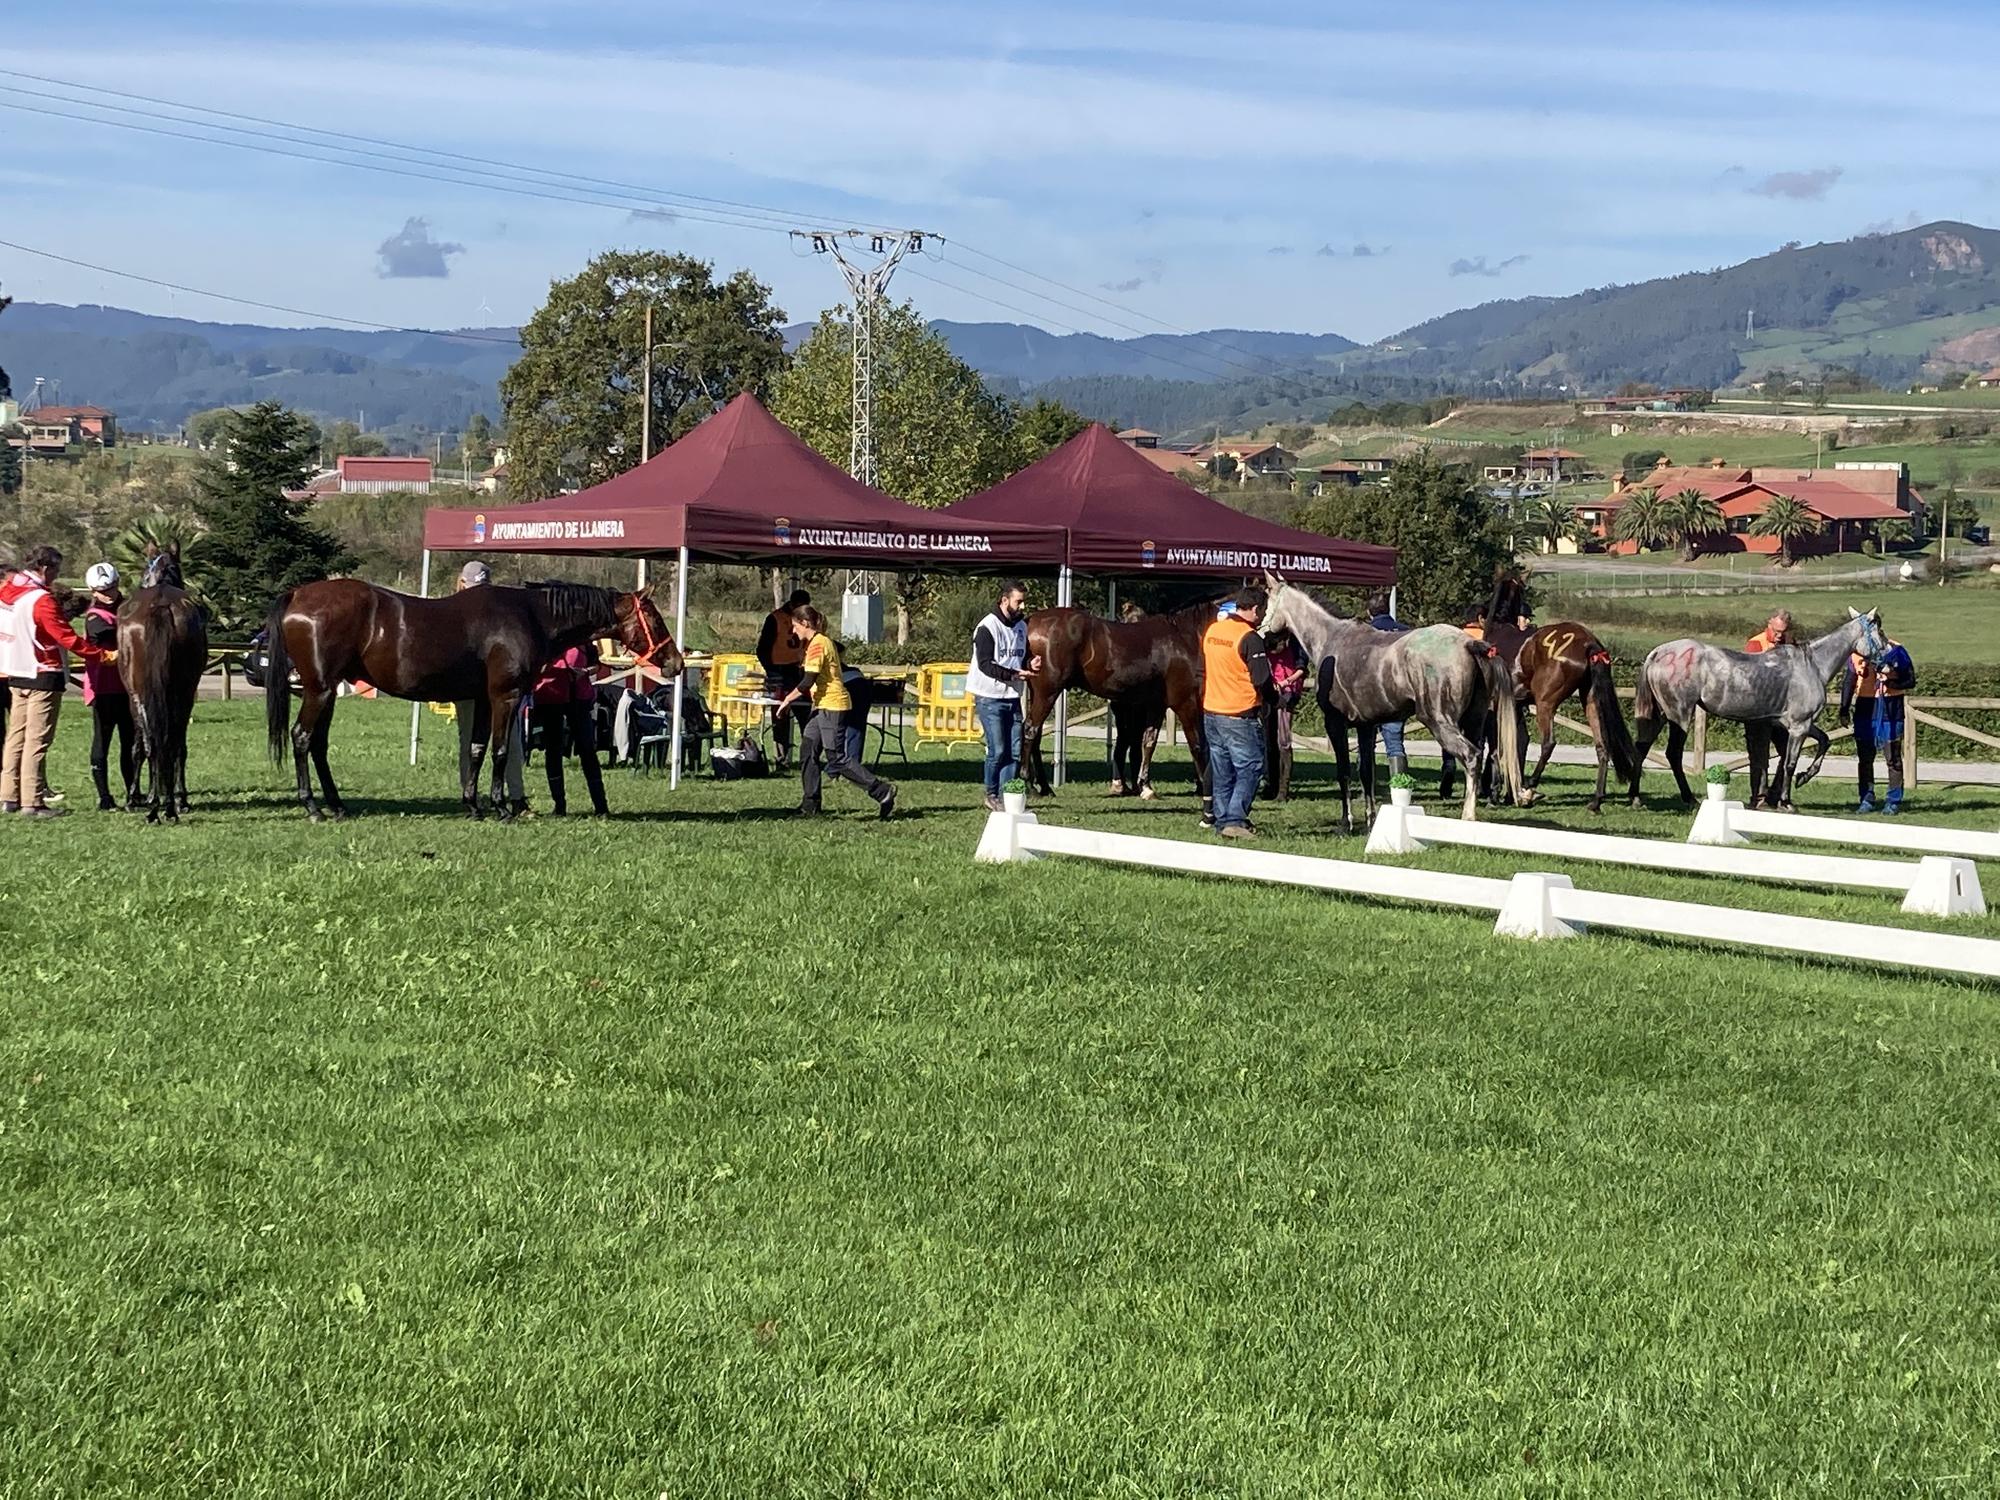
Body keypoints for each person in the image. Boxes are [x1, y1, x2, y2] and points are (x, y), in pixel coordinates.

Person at [1, 545, 115, 817]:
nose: (55, 576)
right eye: (55, 570)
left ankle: (8, 796)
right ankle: (33, 801)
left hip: (16, 670)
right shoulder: (41, 599)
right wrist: (104, 656)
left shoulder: (8, 593)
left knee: (16, 737)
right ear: (44, 567)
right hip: (42, 671)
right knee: (37, 740)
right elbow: (67, 638)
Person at [773, 605, 897, 820]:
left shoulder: (819, 645)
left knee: (836, 758)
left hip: (832, 706)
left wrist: (786, 701)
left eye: (794, 626)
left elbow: (807, 680)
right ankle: (810, 805)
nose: (793, 632)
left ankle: (882, 791)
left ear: (805, 624)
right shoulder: (815, 644)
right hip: (820, 706)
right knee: (808, 752)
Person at [452, 560, 528, 813]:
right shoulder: (451, 613)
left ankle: (516, 795)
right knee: (469, 739)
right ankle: (469, 792)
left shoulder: (498, 616)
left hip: (496, 687)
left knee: (510, 737)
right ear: (461, 583)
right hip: (466, 686)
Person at [1201, 585, 1273, 839]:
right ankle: (1235, 819)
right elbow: (1262, 679)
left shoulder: (1213, 630)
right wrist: (1274, 699)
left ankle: (1222, 821)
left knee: (1222, 769)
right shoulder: (1250, 638)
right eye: (1263, 610)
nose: (1264, 616)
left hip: (1212, 710)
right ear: (1254, 609)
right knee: (1251, 767)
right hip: (1239, 711)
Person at [967, 580, 1041, 812]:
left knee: (1015, 751)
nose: (1022, 606)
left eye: (1023, 601)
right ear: (1005, 600)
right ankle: (991, 794)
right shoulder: (987, 627)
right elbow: (985, 664)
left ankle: (1008, 797)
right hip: (989, 697)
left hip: (1011, 697)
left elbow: (1022, 657)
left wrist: (1032, 662)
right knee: (998, 749)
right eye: (1018, 601)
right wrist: (1014, 674)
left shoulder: (1020, 627)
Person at [1744, 608, 1829, 809]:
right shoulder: (1756, 643)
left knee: (1788, 752)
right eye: (1776, 631)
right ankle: (1759, 797)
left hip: (1784, 710)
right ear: (1769, 624)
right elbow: (1747, 677)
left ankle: (1776, 793)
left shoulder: (1790, 644)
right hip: (1759, 709)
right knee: (1759, 755)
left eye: (1783, 631)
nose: (1779, 635)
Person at [80, 562, 138, 811]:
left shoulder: (128, 609)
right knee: (102, 742)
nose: (109, 594)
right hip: (104, 687)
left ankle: (134, 792)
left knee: (131, 742)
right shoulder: (96, 617)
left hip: (127, 687)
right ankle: (104, 796)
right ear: (93, 591)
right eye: (103, 591)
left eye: (112, 588)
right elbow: (103, 640)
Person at [530, 641, 609, 816]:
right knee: (553, 750)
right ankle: (559, 805)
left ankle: (601, 806)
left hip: (579, 697)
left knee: (587, 750)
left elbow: (595, 664)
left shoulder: (583, 640)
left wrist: (585, 672)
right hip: (551, 697)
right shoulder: (548, 639)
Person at [1841, 633, 1915, 814]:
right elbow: (1849, 681)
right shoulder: (1856, 653)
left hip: (1890, 710)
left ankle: (1893, 800)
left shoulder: (1896, 650)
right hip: (1865, 709)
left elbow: (1910, 681)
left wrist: (1890, 681)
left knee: (1893, 758)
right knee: (1865, 759)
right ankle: (1866, 798)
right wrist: (1843, 708)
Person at [757, 588, 813, 770]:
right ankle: (781, 760)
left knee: (806, 715)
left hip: (798, 671)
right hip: (778, 671)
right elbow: (762, 649)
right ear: (792, 603)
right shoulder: (775, 618)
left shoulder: (806, 620)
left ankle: (810, 758)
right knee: (780, 716)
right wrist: (771, 671)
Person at [1366, 590, 1411, 783]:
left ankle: (1368, 787)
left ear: (1369, 611)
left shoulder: (1365, 634)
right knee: (1395, 743)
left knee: (1366, 744)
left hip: (1371, 695)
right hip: (1397, 694)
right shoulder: (1406, 632)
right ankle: (1400, 787)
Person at [1262, 630, 1306, 802]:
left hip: (1287, 694)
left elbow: (1301, 669)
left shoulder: (1293, 647)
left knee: (1283, 741)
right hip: (1271, 694)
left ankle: (1283, 789)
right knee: (1269, 741)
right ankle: (1271, 784)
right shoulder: (1267, 647)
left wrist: (1286, 682)